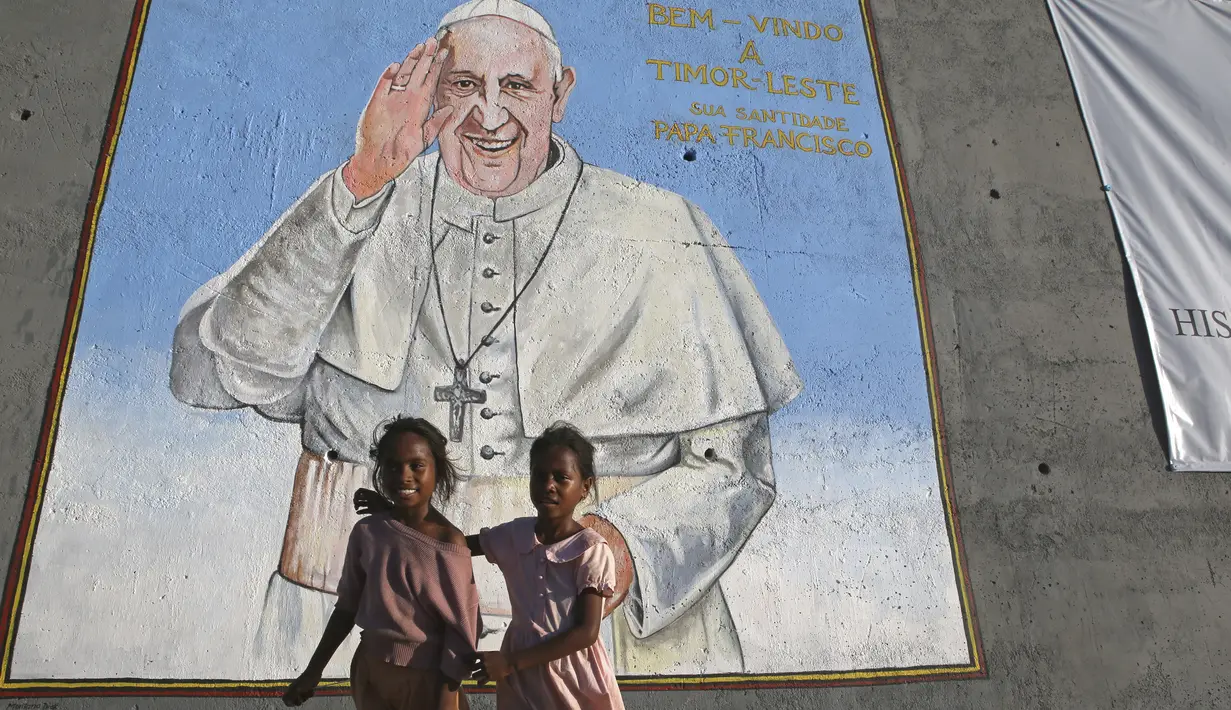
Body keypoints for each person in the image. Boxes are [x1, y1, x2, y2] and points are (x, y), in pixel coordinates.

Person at [169, 0, 802, 675]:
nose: (489, 116)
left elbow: (732, 469)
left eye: (518, 87)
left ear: (560, 95)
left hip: (602, 633)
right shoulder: (354, 207)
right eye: (463, 85)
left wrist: (623, 547)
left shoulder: (659, 231)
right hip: (354, 623)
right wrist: (361, 180)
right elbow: (218, 375)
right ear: (428, 91)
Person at [282, 417, 480, 710]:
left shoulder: (449, 544)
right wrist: (314, 671)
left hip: (429, 680)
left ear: (437, 471)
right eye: (392, 466)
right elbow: (347, 607)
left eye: (417, 465)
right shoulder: (368, 533)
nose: (404, 476)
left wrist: (446, 696)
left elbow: (462, 631)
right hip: (371, 674)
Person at [476, 423, 624, 709]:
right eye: (540, 476)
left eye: (561, 477)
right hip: (523, 678)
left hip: (571, 679)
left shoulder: (590, 551)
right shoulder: (514, 536)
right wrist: (401, 516)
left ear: (585, 487)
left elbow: (586, 632)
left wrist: (509, 662)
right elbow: (454, 544)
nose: (548, 485)